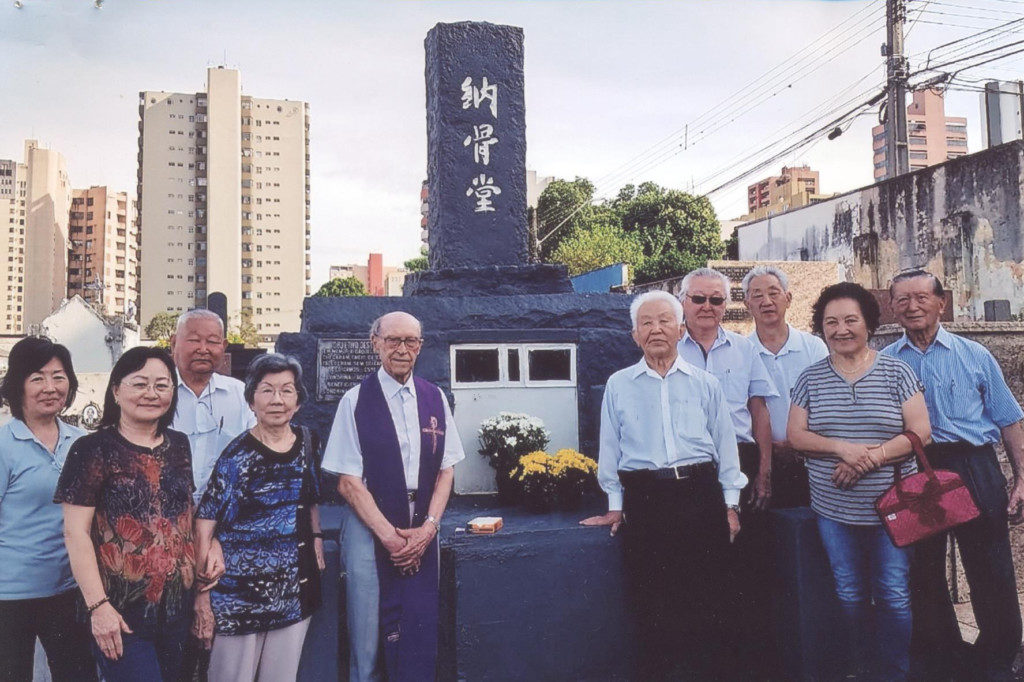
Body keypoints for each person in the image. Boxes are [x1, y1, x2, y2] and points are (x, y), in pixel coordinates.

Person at [581, 290, 747, 679]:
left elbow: (726, 447)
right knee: (653, 604)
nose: (656, 329)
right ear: (635, 335)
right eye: (646, 323)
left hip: (700, 495)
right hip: (648, 498)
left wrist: (730, 505)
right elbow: (610, 448)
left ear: (680, 328)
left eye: (664, 321)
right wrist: (616, 505)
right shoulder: (619, 384)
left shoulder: (705, 383)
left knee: (708, 600)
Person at [882, 270, 1024, 682]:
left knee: (991, 565)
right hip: (915, 466)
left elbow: (1009, 418)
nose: (912, 306)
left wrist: (1020, 479)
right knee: (922, 569)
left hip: (973, 464)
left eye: (921, 297)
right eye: (902, 299)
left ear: (941, 302)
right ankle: (942, 657)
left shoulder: (974, 354)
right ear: (893, 307)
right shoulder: (887, 362)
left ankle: (998, 658)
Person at [788, 282, 932, 680]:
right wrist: (841, 449)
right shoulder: (810, 379)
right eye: (831, 322)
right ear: (821, 328)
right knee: (849, 593)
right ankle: (861, 667)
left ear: (869, 322)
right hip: (834, 510)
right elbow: (797, 436)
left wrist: (867, 459)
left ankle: (894, 672)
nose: (841, 329)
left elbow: (921, 432)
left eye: (851, 319)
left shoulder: (897, 371)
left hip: (896, 507)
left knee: (893, 592)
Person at [323, 311, 465, 682]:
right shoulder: (354, 401)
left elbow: (446, 470)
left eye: (411, 341)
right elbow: (348, 481)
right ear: (376, 344)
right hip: (370, 529)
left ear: (420, 346)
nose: (402, 349)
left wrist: (428, 530)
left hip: (422, 526)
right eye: (393, 341)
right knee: (368, 637)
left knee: (418, 627)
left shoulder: (435, 399)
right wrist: (390, 537)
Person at [55, 346, 197, 682]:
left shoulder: (179, 444)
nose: (152, 393)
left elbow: (185, 516)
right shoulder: (91, 449)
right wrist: (98, 607)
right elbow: (75, 533)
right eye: (140, 383)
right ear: (116, 390)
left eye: (162, 385)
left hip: (178, 610)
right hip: (120, 614)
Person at [192, 353, 325, 682]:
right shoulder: (236, 455)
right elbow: (204, 523)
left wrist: (318, 541)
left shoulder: (308, 443)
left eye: (286, 390)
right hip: (238, 596)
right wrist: (202, 594)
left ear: (297, 400)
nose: (277, 400)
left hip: (294, 591)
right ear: (251, 400)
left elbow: (309, 500)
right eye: (267, 390)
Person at [675, 266, 778, 677]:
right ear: (682, 300)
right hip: (692, 466)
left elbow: (759, 412)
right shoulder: (666, 346)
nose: (706, 307)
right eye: (698, 298)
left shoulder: (744, 349)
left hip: (742, 459)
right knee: (697, 568)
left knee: (749, 569)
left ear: (726, 305)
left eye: (716, 300)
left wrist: (766, 472)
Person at [0, 338, 97, 682]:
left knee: (79, 676)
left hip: (68, 592)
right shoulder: (4, 445)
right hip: (10, 596)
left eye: (59, 377)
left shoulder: (82, 442)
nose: (50, 388)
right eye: (38, 378)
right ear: (18, 385)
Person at [743, 265, 829, 508]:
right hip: (760, 463)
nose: (766, 301)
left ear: (788, 298)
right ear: (747, 303)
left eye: (773, 293)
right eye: (757, 295)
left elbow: (824, 404)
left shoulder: (813, 347)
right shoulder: (741, 352)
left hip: (811, 460)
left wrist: (799, 444)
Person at [170, 309, 256, 507]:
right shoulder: (157, 393)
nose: (203, 349)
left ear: (224, 346)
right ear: (174, 343)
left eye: (212, 341)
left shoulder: (240, 394)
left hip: (225, 514)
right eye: (194, 340)